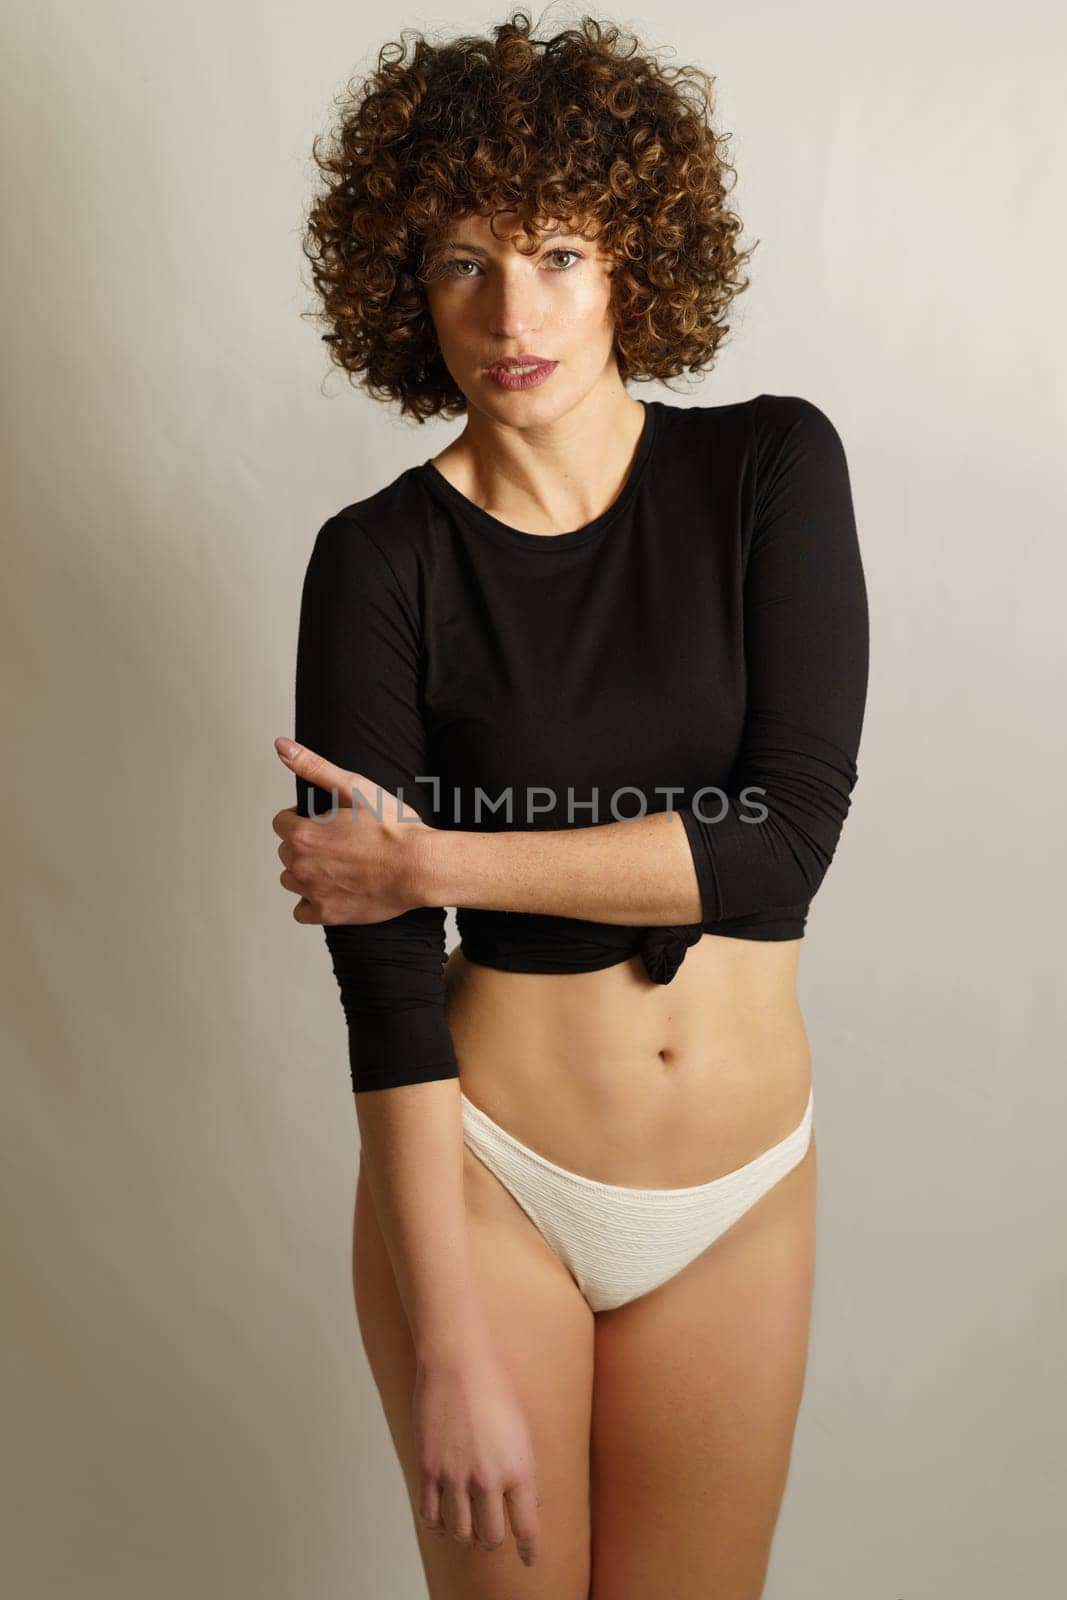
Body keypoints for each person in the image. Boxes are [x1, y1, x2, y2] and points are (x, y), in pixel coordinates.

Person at [272, 11, 869, 1597]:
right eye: (463, 259)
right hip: (494, 1187)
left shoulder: (771, 474)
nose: (510, 308)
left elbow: (782, 844)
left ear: (633, 266)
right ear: (407, 283)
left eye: (554, 251)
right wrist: (447, 1355)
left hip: (743, 1190)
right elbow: (384, 987)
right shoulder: (379, 560)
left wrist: (428, 858)